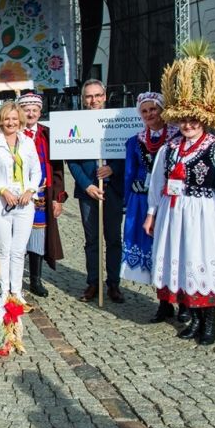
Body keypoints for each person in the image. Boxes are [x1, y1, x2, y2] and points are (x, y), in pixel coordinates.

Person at [144, 49, 215, 345]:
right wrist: (151, 213)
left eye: (194, 121)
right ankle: (194, 319)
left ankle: (209, 323)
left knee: (204, 262)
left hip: (206, 215)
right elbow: (157, 182)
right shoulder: (170, 148)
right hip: (174, 213)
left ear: (204, 119)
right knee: (185, 263)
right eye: (184, 121)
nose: (188, 126)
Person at [121, 93, 185, 323]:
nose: (149, 114)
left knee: (175, 248)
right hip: (142, 201)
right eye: (145, 111)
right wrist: (127, 202)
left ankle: (184, 302)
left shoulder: (178, 137)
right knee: (153, 251)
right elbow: (129, 172)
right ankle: (164, 303)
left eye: (153, 109)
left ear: (162, 110)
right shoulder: (136, 140)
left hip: (171, 200)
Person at [67, 79, 126, 303]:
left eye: (97, 95)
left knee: (113, 239)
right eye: (89, 96)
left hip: (112, 189)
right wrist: (87, 185)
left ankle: (113, 284)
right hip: (88, 191)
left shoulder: (117, 122)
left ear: (104, 96)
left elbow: (128, 153)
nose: (94, 100)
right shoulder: (75, 121)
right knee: (92, 240)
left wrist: (113, 168)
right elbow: (71, 161)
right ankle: (93, 283)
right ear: (83, 99)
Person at [0, 101, 42, 303]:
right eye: (7, 118)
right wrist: (1, 190)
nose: (11, 122)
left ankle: (16, 291)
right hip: (1, 203)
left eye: (14, 119)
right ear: (1, 120)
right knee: (4, 248)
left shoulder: (28, 143)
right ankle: (5, 290)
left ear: (20, 121)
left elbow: (37, 171)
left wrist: (30, 190)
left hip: (25, 204)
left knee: (18, 250)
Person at [17, 93, 67, 298]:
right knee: (17, 236)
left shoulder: (47, 134)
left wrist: (57, 197)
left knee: (37, 236)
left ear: (40, 112)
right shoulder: (13, 132)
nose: (30, 114)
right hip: (18, 195)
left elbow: (57, 168)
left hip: (41, 195)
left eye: (34, 110)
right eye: (26, 110)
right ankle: (14, 279)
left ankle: (35, 280)